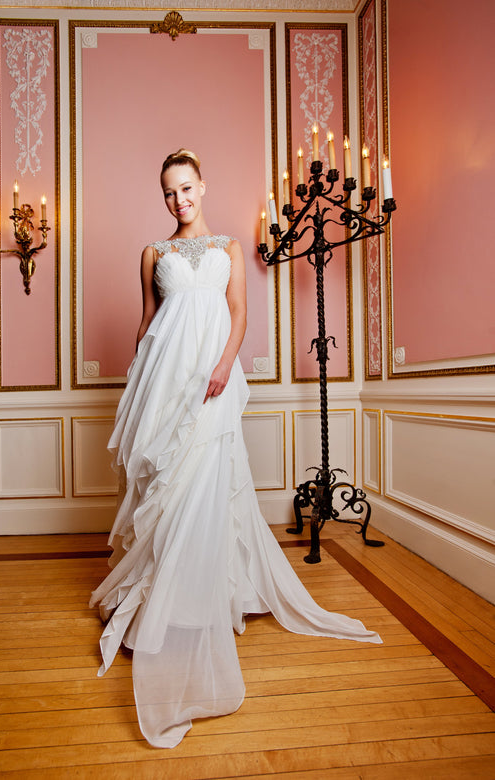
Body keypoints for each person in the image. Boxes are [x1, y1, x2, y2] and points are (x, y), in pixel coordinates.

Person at [90, 149, 382, 749]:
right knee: (167, 490)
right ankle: (161, 594)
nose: (180, 200)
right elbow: (148, 322)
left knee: (208, 481)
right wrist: (137, 383)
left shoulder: (225, 248)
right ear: (163, 196)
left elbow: (240, 315)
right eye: (170, 192)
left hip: (214, 382)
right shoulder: (154, 254)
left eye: (188, 188)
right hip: (166, 385)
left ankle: (207, 593)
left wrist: (223, 367)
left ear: (203, 185)